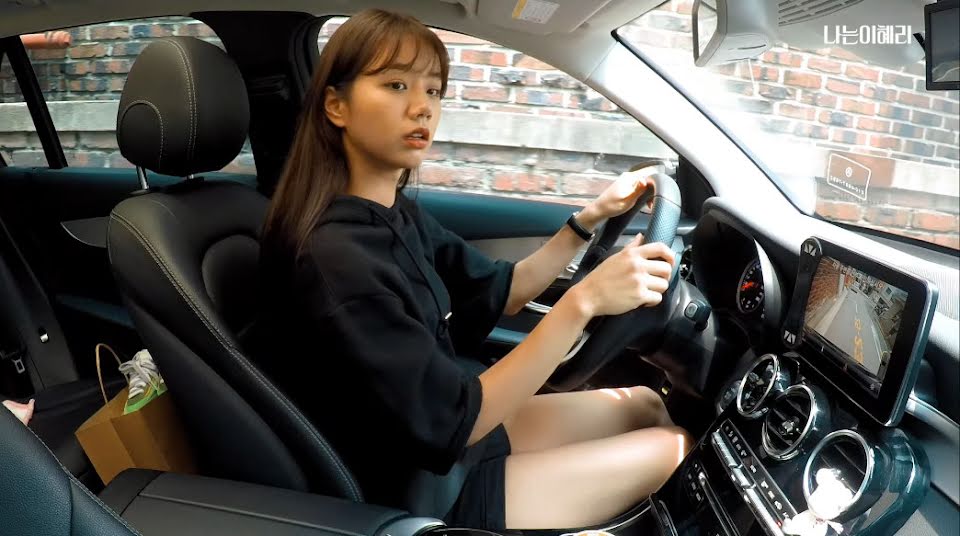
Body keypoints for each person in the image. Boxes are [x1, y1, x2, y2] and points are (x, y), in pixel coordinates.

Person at [253, 8, 692, 531]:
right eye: (395, 85)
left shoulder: (393, 213)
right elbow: (452, 424)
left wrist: (588, 219)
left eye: (434, 90)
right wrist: (584, 302)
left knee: (644, 404)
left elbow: (502, 289)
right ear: (336, 105)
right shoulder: (337, 259)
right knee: (674, 447)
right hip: (419, 489)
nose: (422, 107)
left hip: (452, 439)